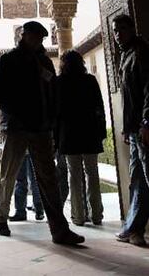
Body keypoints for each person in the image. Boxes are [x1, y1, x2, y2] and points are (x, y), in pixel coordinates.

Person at [0, 20, 85, 245]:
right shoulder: (9, 60)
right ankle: (1, 217)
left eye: (39, 38)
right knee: (9, 174)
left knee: (48, 178)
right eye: (32, 36)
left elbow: (52, 92)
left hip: (41, 127)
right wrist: (14, 112)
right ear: (23, 36)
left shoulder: (43, 61)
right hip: (17, 127)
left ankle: (59, 230)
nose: (36, 40)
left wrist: (52, 119)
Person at [55, 50, 106, 227]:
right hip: (89, 132)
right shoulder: (90, 81)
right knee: (92, 173)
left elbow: (56, 113)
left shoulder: (59, 82)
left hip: (69, 135)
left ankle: (78, 216)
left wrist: (55, 138)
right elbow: (99, 107)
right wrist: (101, 133)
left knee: (73, 175)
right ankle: (97, 214)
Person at [112, 14, 149, 247]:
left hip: (143, 128)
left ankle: (133, 228)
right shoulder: (126, 54)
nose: (118, 35)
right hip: (135, 129)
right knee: (138, 180)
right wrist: (128, 129)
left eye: (122, 29)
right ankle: (134, 229)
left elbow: (148, 90)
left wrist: (147, 122)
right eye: (115, 30)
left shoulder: (141, 53)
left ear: (132, 29)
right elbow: (128, 98)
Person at [9, 152, 44, 221]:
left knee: (21, 180)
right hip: (34, 146)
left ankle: (20, 211)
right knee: (35, 179)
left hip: (21, 147)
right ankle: (39, 209)